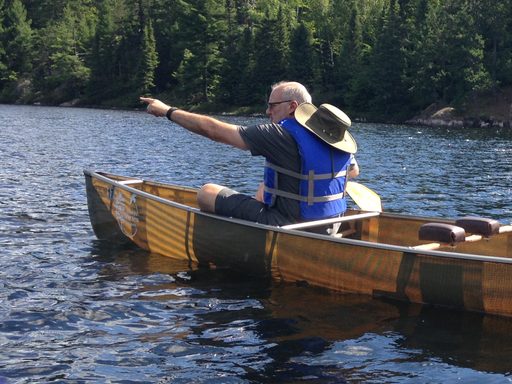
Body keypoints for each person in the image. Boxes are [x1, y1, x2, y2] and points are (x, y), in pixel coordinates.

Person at [140, 81, 358, 226]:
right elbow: (354, 171)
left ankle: (225, 241)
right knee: (264, 189)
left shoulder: (279, 134)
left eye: (272, 105)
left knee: (206, 192)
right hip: (330, 223)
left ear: (292, 106)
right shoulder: (335, 138)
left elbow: (213, 131)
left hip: (289, 224)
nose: (268, 111)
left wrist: (168, 111)